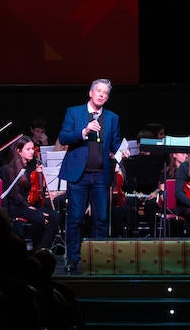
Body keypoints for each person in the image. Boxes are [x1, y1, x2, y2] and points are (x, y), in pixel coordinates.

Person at [58, 78, 123, 273]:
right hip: (79, 175)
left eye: (105, 93)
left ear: (107, 97)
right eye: (99, 91)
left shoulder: (112, 117)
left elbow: (115, 142)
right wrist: (84, 131)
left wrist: (122, 150)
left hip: (101, 175)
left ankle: (98, 259)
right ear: (91, 93)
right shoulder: (74, 112)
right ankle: (73, 259)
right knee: (76, 218)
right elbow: (63, 137)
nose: (102, 95)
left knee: (101, 219)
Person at [1, 135, 63, 251]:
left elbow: (36, 192)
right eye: (28, 149)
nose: (32, 152)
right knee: (39, 217)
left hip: (30, 204)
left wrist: (40, 177)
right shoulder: (8, 169)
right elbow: (15, 195)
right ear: (19, 151)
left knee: (56, 216)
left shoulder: (31, 168)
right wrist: (29, 207)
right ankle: (35, 249)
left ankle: (41, 249)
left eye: (32, 149)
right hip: (16, 205)